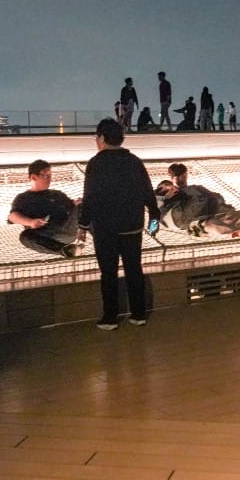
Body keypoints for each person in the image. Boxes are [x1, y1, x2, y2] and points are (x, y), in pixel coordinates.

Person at [77, 118, 160, 330]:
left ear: (102, 138)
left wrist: (83, 226)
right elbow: (147, 191)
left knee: (109, 273)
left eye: (97, 137)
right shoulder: (134, 161)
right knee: (134, 270)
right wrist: (153, 216)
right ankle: (139, 314)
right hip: (132, 226)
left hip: (106, 230)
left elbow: (90, 198)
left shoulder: (96, 163)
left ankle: (110, 317)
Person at [155, 179, 240, 239]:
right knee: (208, 222)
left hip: (205, 212)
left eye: (171, 186)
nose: (172, 188)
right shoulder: (160, 199)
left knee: (234, 216)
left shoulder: (190, 190)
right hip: (181, 216)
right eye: (167, 187)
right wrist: (164, 197)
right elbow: (155, 217)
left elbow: (213, 197)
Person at [8, 159, 83, 258]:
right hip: (45, 235)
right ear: (33, 177)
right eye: (45, 175)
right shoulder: (23, 198)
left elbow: (71, 207)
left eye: (50, 175)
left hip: (66, 229)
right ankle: (65, 250)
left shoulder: (57, 194)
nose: (49, 178)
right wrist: (30, 222)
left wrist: (76, 204)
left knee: (84, 204)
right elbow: (12, 217)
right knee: (25, 237)